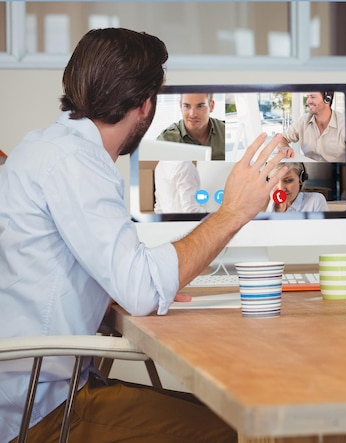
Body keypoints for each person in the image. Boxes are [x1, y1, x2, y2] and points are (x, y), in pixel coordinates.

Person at [0, 28, 287, 443]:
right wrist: (233, 212)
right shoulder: (77, 163)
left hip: (34, 392)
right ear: (145, 105)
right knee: (253, 430)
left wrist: (100, 286)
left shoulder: (44, 147)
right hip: (43, 412)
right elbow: (142, 290)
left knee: (240, 414)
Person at [279, 91, 346, 162]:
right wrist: (284, 147)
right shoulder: (303, 121)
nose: (308, 102)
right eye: (308, 97)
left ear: (327, 99)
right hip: (308, 171)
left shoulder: (345, 125)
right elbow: (281, 138)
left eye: (313, 97)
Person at [158, 92, 226, 160]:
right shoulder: (166, 141)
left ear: (211, 106)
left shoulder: (224, 131)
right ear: (180, 106)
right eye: (187, 106)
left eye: (200, 106)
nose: (192, 114)